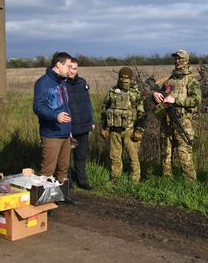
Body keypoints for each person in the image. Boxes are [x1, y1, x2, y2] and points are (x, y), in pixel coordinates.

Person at [33, 52, 77, 204]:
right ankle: (45, 202)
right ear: (59, 65)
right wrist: (55, 116)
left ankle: (62, 196)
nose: (70, 69)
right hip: (51, 134)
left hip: (65, 133)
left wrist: (69, 129)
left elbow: (65, 107)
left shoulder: (62, 83)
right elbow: (38, 107)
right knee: (48, 170)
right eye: (68, 66)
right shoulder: (43, 83)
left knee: (63, 168)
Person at [152, 49, 201, 181]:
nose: (177, 61)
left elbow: (196, 100)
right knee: (165, 155)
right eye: (175, 58)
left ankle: (191, 187)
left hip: (182, 122)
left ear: (186, 60)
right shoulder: (169, 80)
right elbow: (159, 93)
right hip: (166, 122)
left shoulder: (191, 80)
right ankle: (166, 183)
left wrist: (176, 100)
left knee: (184, 156)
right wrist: (155, 95)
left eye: (180, 58)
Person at [100, 67, 146, 182]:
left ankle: (134, 181)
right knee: (114, 157)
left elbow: (142, 113)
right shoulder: (112, 92)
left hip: (130, 131)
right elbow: (104, 110)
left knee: (133, 157)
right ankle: (115, 178)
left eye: (126, 78)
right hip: (114, 131)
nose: (123, 80)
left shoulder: (135, 93)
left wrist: (139, 130)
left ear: (131, 79)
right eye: (121, 77)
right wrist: (103, 127)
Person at [65, 57, 94, 190]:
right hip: (69, 127)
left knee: (81, 156)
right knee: (66, 157)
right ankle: (68, 182)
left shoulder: (82, 83)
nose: (72, 71)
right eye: (70, 67)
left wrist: (91, 121)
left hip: (84, 126)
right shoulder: (62, 84)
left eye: (75, 68)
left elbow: (88, 104)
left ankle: (82, 181)